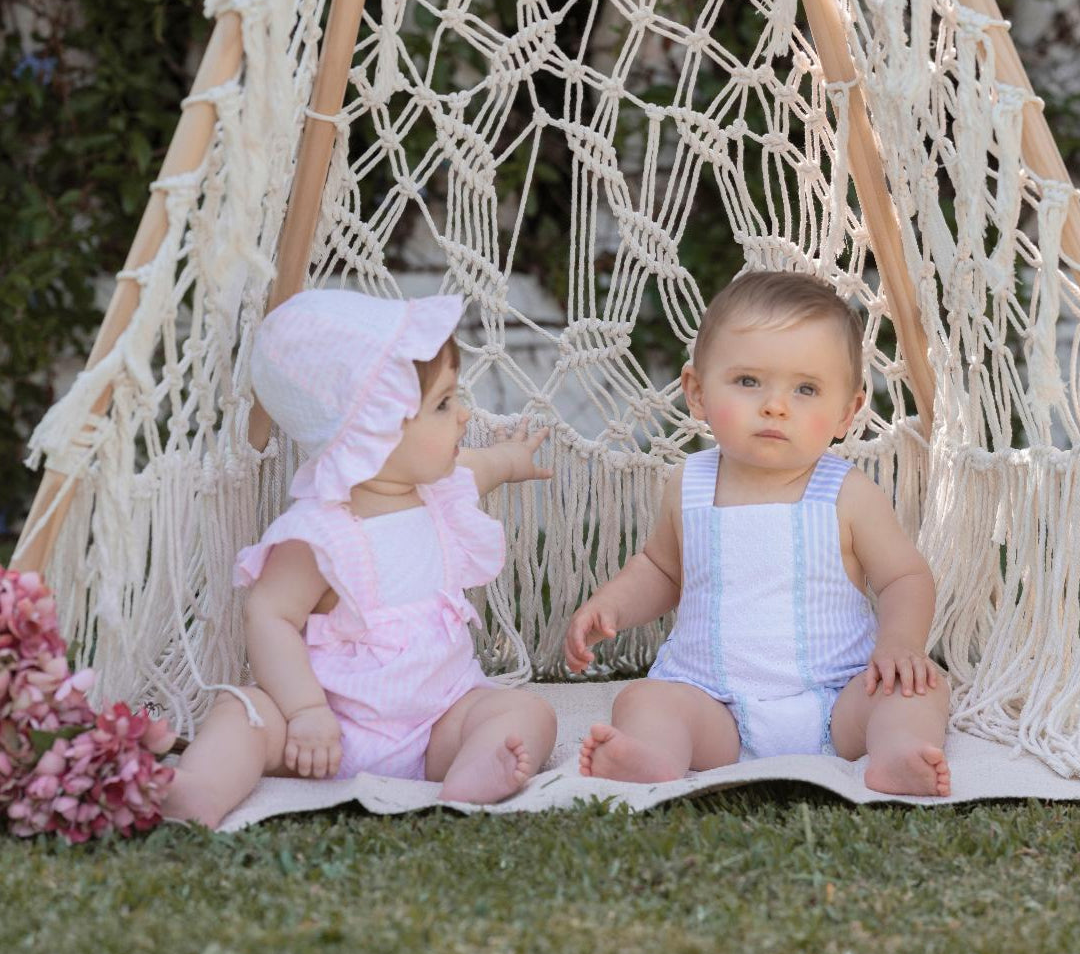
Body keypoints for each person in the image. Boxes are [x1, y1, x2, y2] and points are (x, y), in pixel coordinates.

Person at [164, 290, 556, 827]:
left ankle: (471, 773)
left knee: (526, 711)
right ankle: (201, 790)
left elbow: (483, 466)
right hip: (325, 733)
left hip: (440, 720)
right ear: (374, 430)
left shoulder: (440, 490)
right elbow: (270, 615)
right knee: (246, 713)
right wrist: (304, 711)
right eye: (444, 405)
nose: (464, 415)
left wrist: (513, 460)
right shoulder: (320, 533)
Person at [565, 271, 950, 797]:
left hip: (839, 699)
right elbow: (661, 569)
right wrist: (613, 603)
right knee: (643, 700)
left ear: (847, 412)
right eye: (748, 382)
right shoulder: (690, 483)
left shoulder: (847, 493)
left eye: (806, 389)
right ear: (697, 393)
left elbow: (905, 577)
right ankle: (653, 756)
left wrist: (901, 643)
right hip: (713, 702)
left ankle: (897, 752)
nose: (775, 405)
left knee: (918, 689)